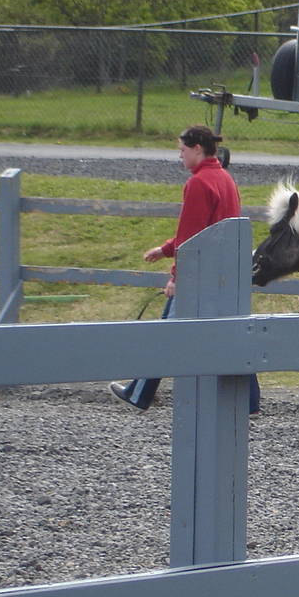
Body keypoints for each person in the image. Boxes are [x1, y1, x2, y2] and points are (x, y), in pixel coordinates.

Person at [110, 125, 260, 413]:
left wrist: (177, 278)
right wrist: (164, 249)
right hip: (225, 272)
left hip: (200, 274)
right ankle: (250, 402)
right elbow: (207, 228)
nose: (179, 156)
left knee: (166, 334)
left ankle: (139, 393)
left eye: (181, 150)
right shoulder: (226, 179)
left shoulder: (199, 183)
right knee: (232, 336)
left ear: (197, 149)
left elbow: (191, 235)